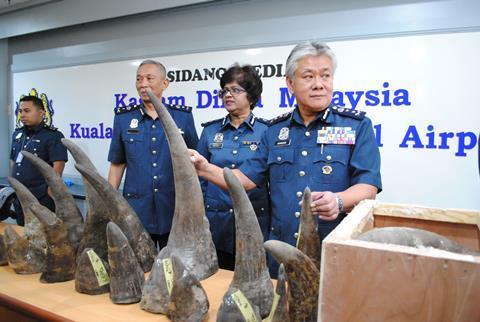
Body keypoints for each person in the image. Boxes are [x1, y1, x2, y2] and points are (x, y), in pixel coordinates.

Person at [189, 41, 382, 275]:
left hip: (331, 249)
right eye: (308, 76)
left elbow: (368, 186)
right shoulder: (274, 131)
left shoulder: (356, 126)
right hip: (281, 251)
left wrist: (338, 201)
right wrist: (204, 167)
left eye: (326, 76)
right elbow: (246, 180)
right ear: (290, 84)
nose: (319, 85)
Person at [107, 59, 199, 250]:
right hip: (137, 209)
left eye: (149, 78)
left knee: (174, 266)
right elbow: (117, 164)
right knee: (140, 266)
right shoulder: (124, 118)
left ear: (165, 84)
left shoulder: (182, 117)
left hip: (174, 208)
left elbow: (195, 164)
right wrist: (108, 201)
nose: (143, 84)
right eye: (139, 79)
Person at [197, 64, 270, 270]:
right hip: (216, 224)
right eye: (224, 90)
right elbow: (201, 180)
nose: (228, 95)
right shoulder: (210, 131)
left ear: (252, 95)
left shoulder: (267, 131)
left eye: (236, 90)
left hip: (254, 221)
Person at [10, 95, 68, 226]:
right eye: (20, 111)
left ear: (41, 112)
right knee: (23, 231)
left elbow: (58, 165)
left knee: (44, 235)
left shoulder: (53, 136)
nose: (22, 115)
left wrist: (51, 190)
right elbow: (13, 161)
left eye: (27, 111)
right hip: (19, 195)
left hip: (41, 196)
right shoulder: (17, 134)